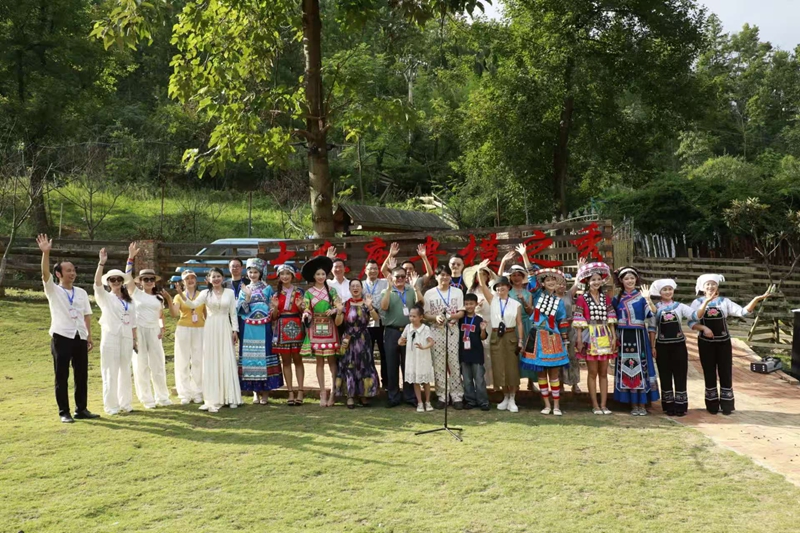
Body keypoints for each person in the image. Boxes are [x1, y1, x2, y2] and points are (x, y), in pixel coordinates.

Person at [36, 234, 99, 423]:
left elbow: (86, 315)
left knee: (81, 375)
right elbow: (44, 275)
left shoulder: (81, 292)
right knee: (62, 376)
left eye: (73, 270)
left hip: (80, 336)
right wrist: (46, 253)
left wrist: (88, 336)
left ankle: (82, 409)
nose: (72, 273)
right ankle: (64, 412)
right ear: (59, 274)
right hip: (61, 336)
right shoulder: (53, 290)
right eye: (68, 270)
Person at [690, 274, 772, 415]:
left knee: (725, 372)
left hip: (723, 342)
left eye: (713, 284)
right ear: (702, 288)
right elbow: (692, 322)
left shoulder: (724, 302)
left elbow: (743, 312)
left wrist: (756, 299)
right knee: (709, 372)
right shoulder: (697, 303)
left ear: (717, 286)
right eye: (707, 284)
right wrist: (703, 328)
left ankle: (727, 405)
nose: (711, 287)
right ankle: (712, 405)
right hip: (705, 343)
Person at [181, 267, 242, 413]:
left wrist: (235, 330)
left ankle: (230, 397)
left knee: (226, 358)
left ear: (223, 278)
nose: (216, 279)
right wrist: (181, 294)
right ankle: (214, 397)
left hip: (225, 326)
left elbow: (233, 313)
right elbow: (193, 305)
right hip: (211, 328)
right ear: (208, 279)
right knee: (212, 359)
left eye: (218, 276)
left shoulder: (230, 292)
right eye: (213, 277)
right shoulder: (205, 293)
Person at [518, 255, 571, 416]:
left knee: (554, 374)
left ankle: (556, 406)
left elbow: (562, 322)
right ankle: (547, 405)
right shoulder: (536, 295)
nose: (550, 282)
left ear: (557, 283)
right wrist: (524, 256)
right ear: (543, 283)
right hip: (537, 337)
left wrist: (565, 341)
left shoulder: (559, 302)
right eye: (548, 280)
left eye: (553, 280)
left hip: (553, 338)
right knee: (541, 374)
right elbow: (531, 277)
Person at [650, 279, 710, 416]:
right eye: (665, 290)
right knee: (665, 375)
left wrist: (705, 302)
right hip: (662, 346)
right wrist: (652, 346)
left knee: (680, 374)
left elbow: (695, 316)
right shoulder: (655, 308)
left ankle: (681, 406)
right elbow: (652, 328)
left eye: (670, 289)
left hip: (679, 346)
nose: (668, 292)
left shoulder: (680, 306)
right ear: (659, 292)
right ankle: (668, 406)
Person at [124, 243, 172, 409]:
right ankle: (147, 399)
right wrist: (130, 258)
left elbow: (160, 315)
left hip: (154, 331)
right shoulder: (135, 293)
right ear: (141, 282)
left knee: (158, 365)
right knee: (141, 365)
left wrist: (162, 328)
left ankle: (162, 397)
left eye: (152, 279)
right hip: (139, 331)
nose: (149, 282)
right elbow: (127, 277)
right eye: (146, 279)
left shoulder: (159, 298)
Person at [94, 249, 137, 415]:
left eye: (119, 279)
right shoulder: (105, 297)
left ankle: (126, 404)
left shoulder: (130, 301)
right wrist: (101, 263)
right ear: (108, 282)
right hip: (111, 336)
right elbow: (97, 284)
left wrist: (134, 340)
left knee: (125, 370)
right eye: (113, 279)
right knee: (110, 371)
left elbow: (133, 322)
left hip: (126, 337)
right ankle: (111, 406)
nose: (116, 282)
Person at [612, 266, 659, 416]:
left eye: (632, 278)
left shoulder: (642, 297)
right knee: (627, 368)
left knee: (642, 367)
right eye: (626, 278)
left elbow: (653, 314)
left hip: (639, 337)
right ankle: (633, 404)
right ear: (621, 281)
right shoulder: (616, 299)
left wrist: (648, 299)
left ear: (636, 279)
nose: (630, 281)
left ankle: (642, 404)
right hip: (623, 337)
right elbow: (611, 320)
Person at [572, 262, 617, 415]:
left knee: (603, 372)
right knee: (592, 372)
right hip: (589, 336)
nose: (596, 282)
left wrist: (613, 336)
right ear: (587, 282)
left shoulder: (606, 298)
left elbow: (611, 317)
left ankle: (604, 405)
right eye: (593, 280)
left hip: (604, 334)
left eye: (598, 279)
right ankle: (595, 405)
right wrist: (579, 339)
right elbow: (579, 319)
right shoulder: (582, 298)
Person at [238, 258, 283, 404]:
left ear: (261, 273)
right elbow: (240, 309)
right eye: (250, 272)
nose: (252, 275)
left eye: (255, 272)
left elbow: (272, 307)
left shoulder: (267, 288)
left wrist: (273, 308)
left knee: (264, 355)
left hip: (264, 326)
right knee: (250, 356)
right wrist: (247, 297)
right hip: (248, 327)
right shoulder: (244, 288)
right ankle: (255, 392)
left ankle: (265, 393)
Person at [477, 274, 523, 412]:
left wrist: (520, 340)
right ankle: (505, 396)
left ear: (508, 287)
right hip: (496, 335)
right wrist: (479, 271)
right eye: (497, 286)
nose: (500, 288)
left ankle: (513, 397)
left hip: (510, 334)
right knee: (499, 367)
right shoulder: (493, 301)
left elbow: (519, 323)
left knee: (511, 367)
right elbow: (483, 287)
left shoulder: (515, 304)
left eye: (503, 285)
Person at [423, 265, 465, 409]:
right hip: (436, 330)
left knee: (454, 363)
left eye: (447, 275)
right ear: (436, 277)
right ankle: (442, 395)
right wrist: (436, 318)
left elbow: (461, 312)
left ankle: (457, 395)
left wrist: (451, 316)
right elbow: (425, 314)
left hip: (452, 330)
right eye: (442, 275)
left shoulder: (457, 292)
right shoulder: (429, 293)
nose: (445, 277)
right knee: (438, 364)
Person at [300, 256, 340, 407]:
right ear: (313, 276)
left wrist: (334, 310)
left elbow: (339, 305)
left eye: (323, 274)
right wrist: (306, 314)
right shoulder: (309, 292)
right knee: (319, 362)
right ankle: (322, 392)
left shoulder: (332, 291)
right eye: (318, 274)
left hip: (330, 327)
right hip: (315, 327)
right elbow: (306, 308)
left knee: (332, 361)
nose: (321, 276)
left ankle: (333, 392)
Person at [335, 279, 381, 408]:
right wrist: (339, 311)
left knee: (364, 365)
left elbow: (376, 319)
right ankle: (350, 396)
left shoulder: (367, 303)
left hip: (363, 339)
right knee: (349, 365)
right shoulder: (345, 304)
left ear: (361, 288)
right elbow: (338, 323)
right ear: (349, 289)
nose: (355, 288)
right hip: (348, 339)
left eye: (358, 286)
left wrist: (370, 307)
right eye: (353, 286)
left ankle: (364, 394)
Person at [165, 270, 205, 405]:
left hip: (200, 328)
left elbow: (206, 314)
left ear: (196, 280)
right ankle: (185, 393)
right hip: (183, 329)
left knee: (198, 360)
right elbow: (174, 313)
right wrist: (169, 299)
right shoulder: (178, 296)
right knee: (183, 361)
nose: (190, 280)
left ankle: (198, 392)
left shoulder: (202, 295)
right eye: (187, 279)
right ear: (183, 282)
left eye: (192, 278)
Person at [380, 266, 418, 407]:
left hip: (408, 330)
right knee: (392, 365)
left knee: (408, 365)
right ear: (392, 277)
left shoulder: (410, 290)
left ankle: (409, 396)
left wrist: (416, 288)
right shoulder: (386, 291)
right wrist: (389, 289)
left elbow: (420, 305)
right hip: (392, 331)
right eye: (397, 276)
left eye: (403, 276)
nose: (400, 279)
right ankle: (393, 396)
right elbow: (384, 307)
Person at [271, 264, 306, 406]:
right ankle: (290, 391)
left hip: (296, 325)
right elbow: (274, 317)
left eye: (287, 274)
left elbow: (304, 312)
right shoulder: (276, 294)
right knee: (285, 361)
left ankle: (301, 391)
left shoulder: (300, 292)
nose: (285, 276)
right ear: (279, 276)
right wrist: (274, 308)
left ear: (292, 276)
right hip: (282, 326)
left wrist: (300, 307)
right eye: (282, 274)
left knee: (298, 359)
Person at [464, 261, 497, 388]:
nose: (481, 276)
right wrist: (476, 307)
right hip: (474, 321)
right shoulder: (471, 290)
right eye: (479, 274)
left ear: (488, 276)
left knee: (489, 352)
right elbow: (467, 306)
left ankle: (491, 381)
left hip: (489, 321)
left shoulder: (492, 288)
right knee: (476, 350)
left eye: (484, 274)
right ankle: (477, 381)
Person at [399, 303, 436, 413]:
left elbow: (431, 342)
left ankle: (428, 401)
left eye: (414, 316)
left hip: (423, 358)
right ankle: (419, 402)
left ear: (421, 317)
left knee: (426, 381)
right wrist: (401, 342)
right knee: (415, 381)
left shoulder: (425, 328)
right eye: (410, 316)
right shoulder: (408, 327)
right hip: (412, 358)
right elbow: (400, 340)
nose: (412, 318)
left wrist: (424, 347)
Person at [459, 293, 490, 410]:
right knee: (467, 380)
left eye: (471, 304)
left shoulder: (479, 320)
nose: (469, 306)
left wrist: (483, 330)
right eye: (466, 304)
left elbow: (483, 337)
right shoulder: (460, 319)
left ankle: (483, 402)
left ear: (476, 304)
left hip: (476, 354)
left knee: (479, 379)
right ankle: (470, 400)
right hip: (464, 354)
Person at [362, 259, 388, 389]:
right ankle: (371, 383)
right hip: (367, 324)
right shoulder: (360, 285)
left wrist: (390, 257)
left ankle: (386, 383)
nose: (373, 271)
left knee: (385, 354)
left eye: (375, 269)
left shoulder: (384, 282)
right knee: (368, 355)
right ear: (365, 270)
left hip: (383, 322)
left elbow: (391, 276)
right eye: (370, 268)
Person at [557, 273, 582, 393]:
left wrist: (580, 268)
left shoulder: (568, 295)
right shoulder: (550, 297)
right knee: (559, 358)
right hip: (557, 331)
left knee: (573, 356)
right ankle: (560, 383)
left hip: (570, 330)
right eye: (559, 284)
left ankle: (575, 383)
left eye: (564, 284)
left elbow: (577, 283)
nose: (562, 286)